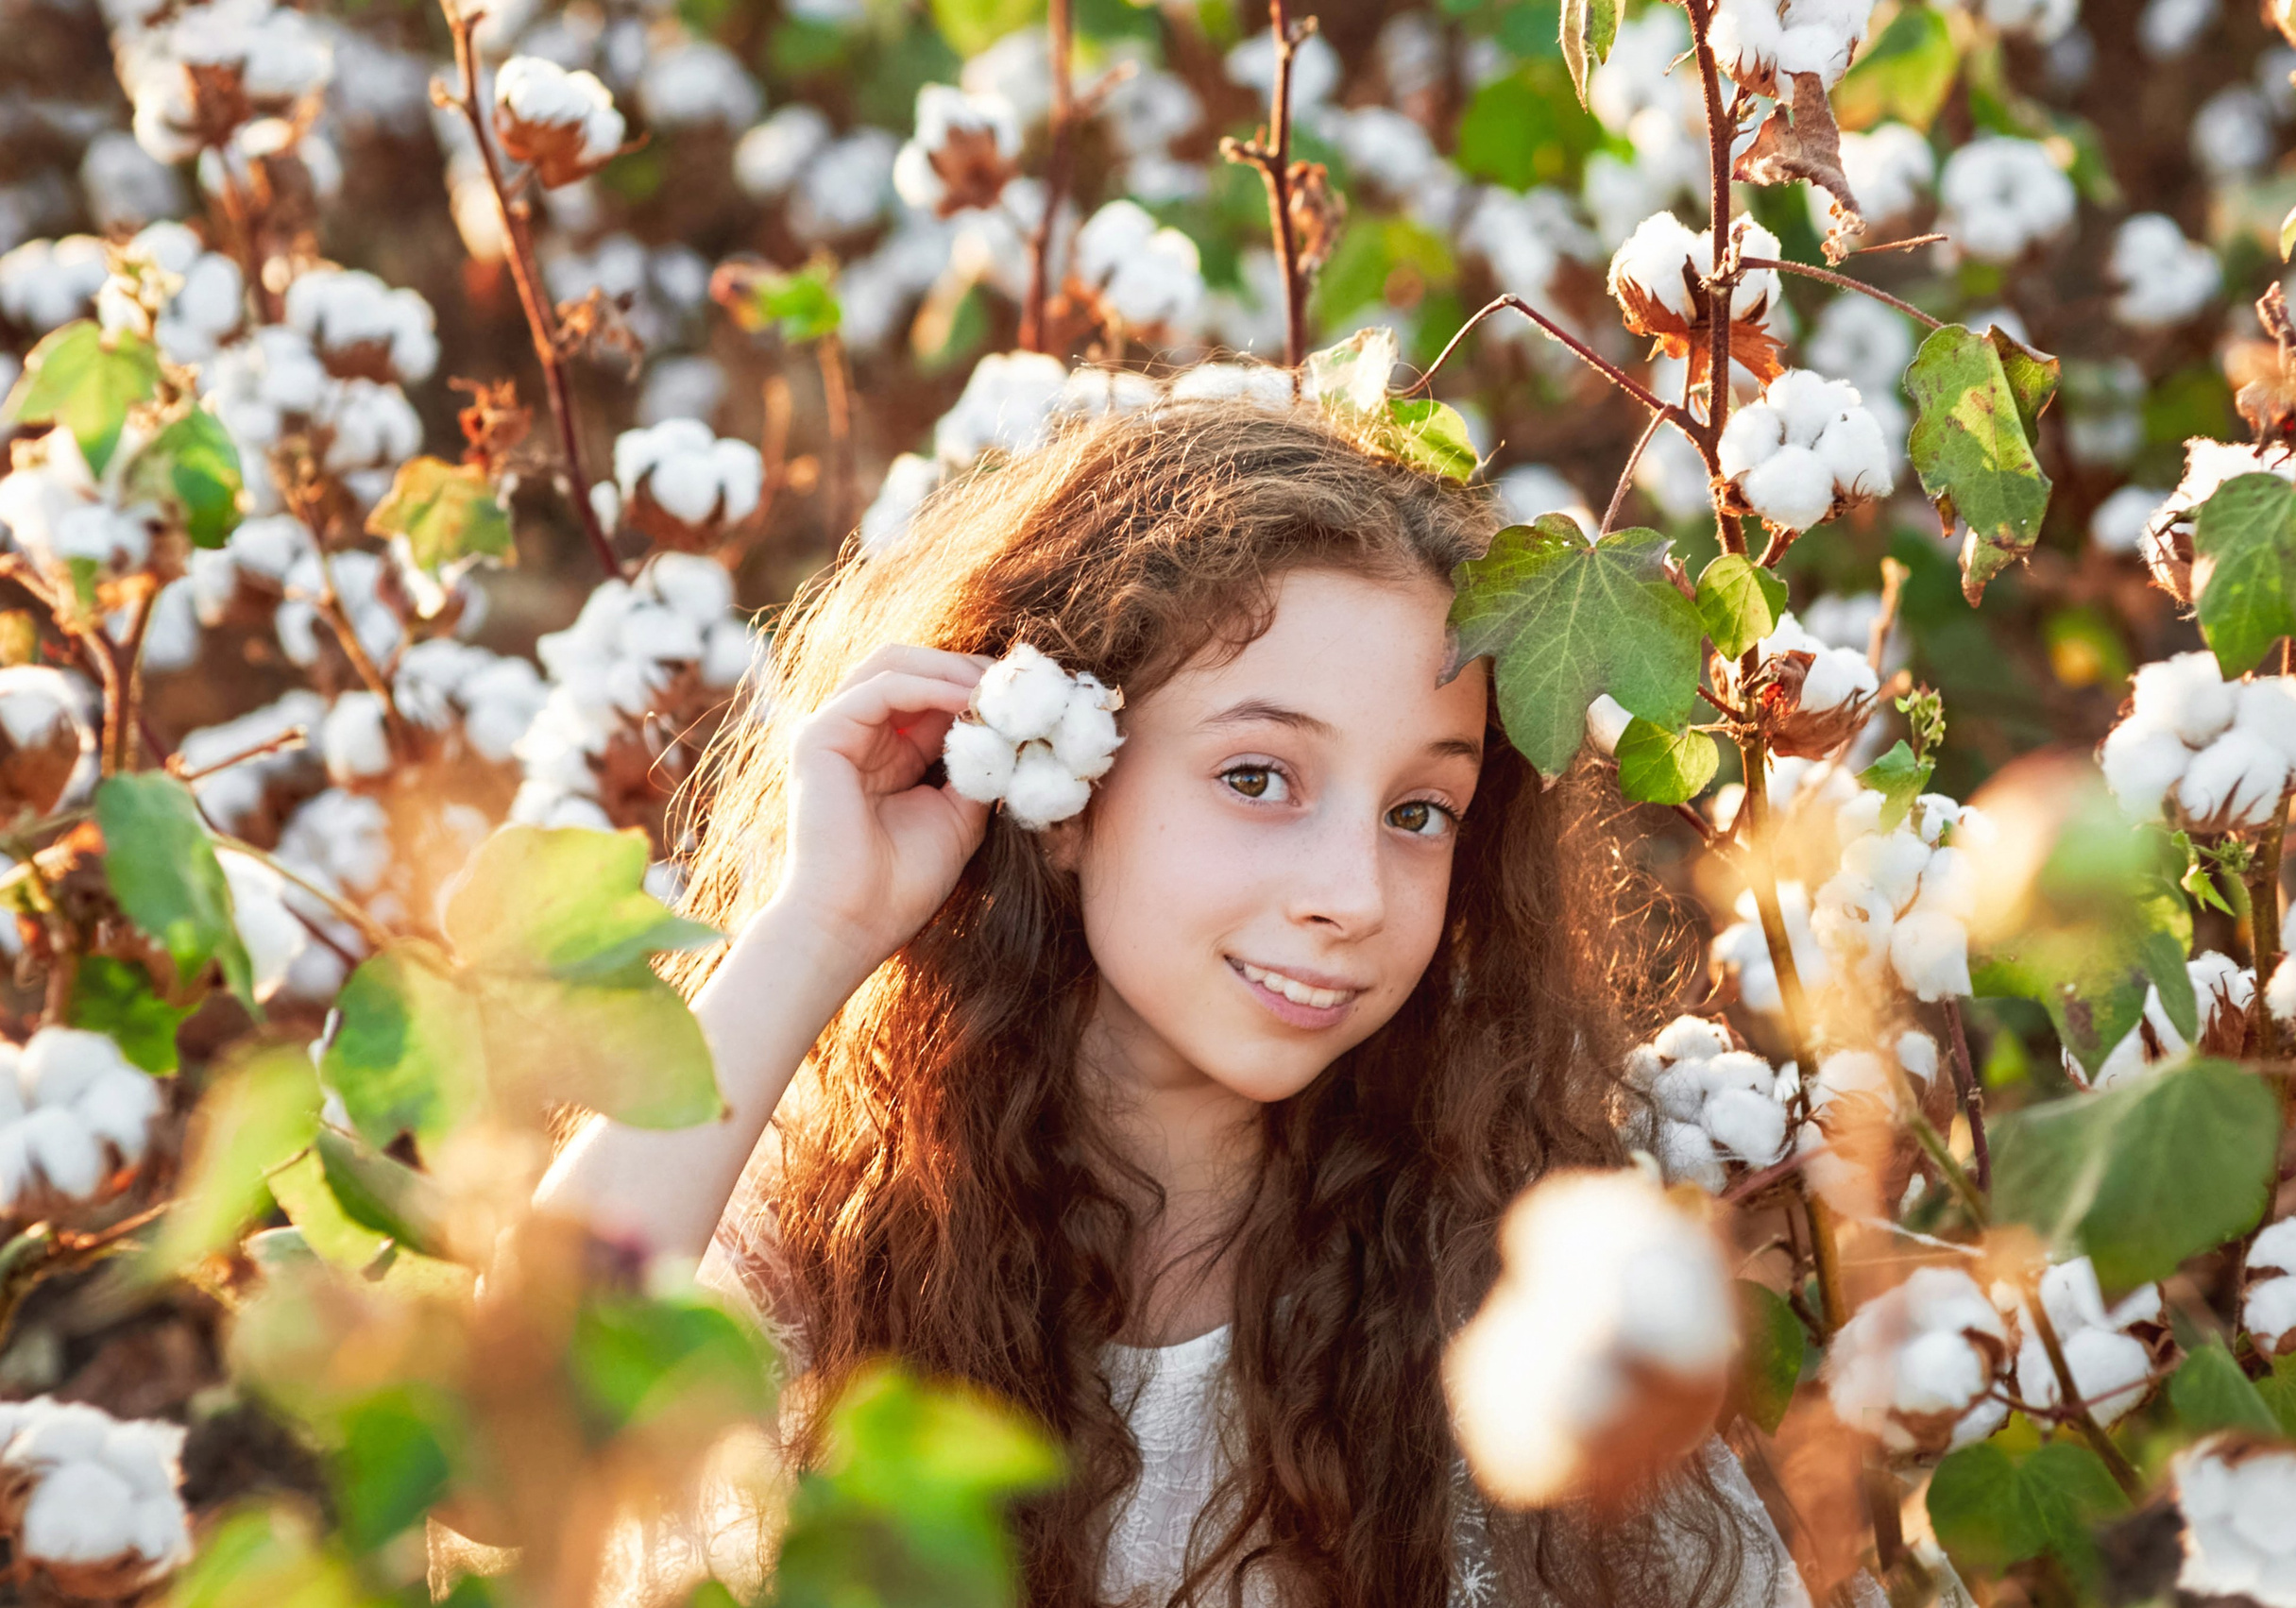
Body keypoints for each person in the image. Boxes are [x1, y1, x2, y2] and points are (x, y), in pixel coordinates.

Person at [537, 399, 1806, 1608]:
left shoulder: (1515, 1288)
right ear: (1063, 787)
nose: (1352, 893)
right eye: (1258, 776)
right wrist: (820, 928)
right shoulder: (828, 1230)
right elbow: (513, 1439)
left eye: (1421, 812)